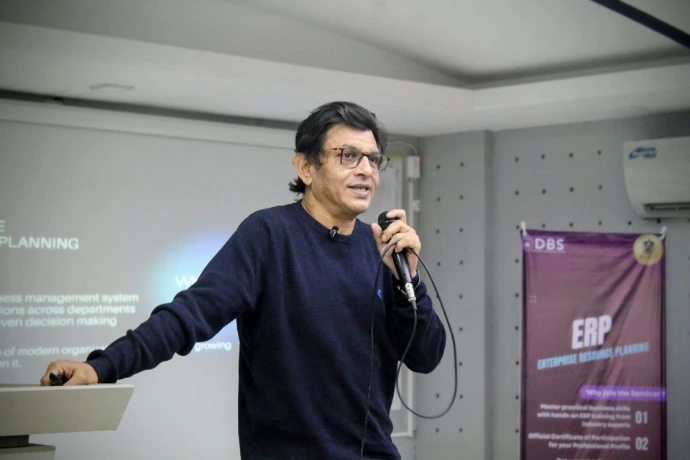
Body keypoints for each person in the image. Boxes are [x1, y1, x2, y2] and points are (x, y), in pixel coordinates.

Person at [40, 101, 446, 460]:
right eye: (348, 156)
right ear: (306, 167)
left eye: (373, 159)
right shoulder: (268, 235)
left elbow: (425, 356)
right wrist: (101, 367)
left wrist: (407, 278)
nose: (365, 171)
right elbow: (188, 316)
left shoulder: (382, 250)